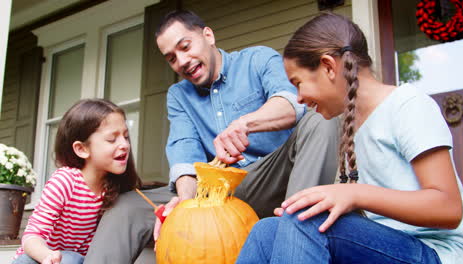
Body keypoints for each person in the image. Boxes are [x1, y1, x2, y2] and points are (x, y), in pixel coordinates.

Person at [84, 10, 340, 263]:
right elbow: (185, 150)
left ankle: (295, 245)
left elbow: (292, 103)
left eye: (185, 46)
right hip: (216, 190)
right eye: (171, 58)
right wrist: (185, 207)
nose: (182, 61)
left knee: (319, 119)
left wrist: (245, 124)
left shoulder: (257, 60)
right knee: (129, 207)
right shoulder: (178, 95)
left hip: (274, 178)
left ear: (208, 35)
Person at [235, 12, 463, 264]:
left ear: (328, 67)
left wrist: (354, 194)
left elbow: (449, 208)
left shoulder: (407, 105)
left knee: (306, 217)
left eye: (298, 83)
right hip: (384, 247)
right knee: (267, 231)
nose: (299, 98)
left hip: (435, 253)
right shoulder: (348, 125)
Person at [12, 99, 141, 264]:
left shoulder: (116, 190)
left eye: (126, 137)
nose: (125, 145)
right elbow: (32, 235)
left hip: (76, 261)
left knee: (74, 259)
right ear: (82, 149)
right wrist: (48, 257)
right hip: (37, 259)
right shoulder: (65, 181)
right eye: (111, 139)